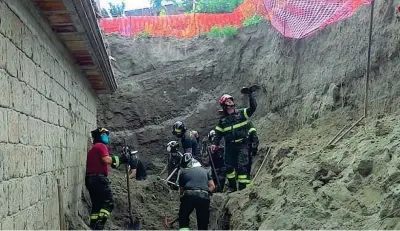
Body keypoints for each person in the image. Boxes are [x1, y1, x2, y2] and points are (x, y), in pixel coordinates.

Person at [211, 89, 257, 192]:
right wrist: (215, 144)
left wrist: (250, 95)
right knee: (228, 167)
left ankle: (242, 189)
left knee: (242, 166)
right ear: (224, 106)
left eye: (231, 102)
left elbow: (253, 108)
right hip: (230, 146)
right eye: (228, 103)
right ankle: (232, 187)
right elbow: (218, 134)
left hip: (242, 144)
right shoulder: (222, 120)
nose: (230, 104)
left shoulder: (241, 113)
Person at [85, 127, 128, 230]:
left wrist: (117, 161)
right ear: (99, 135)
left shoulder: (93, 148)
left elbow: (107, 162)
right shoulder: (101, 146)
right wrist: (121, 159)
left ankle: (93, 226)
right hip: (99, 179)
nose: (107, 136)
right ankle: (99, 226)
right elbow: (107, 160)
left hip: (90, 180)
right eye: (104, 134)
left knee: (97, 204)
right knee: (109, 203)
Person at [177, 153, 215, 231]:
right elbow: (212, 186)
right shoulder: (205, 171)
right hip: (204, 196)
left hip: (189, 195)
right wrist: (205, 191)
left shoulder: (183, 172)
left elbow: (181, 190)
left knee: (183, 218)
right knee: (203, 222)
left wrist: (182, 199)